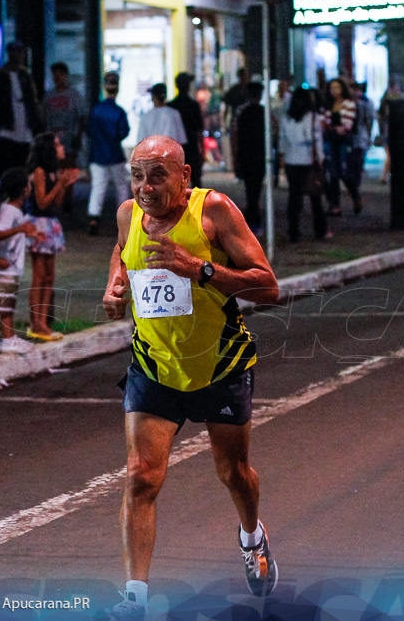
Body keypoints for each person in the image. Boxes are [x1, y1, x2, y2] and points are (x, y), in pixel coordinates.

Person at [102, 136, 280, 619]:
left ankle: (252, 536)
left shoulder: (214, 212)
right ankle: (134, 599)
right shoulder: (127, 214)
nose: (144, 187)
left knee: (234, 474)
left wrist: (198, 269)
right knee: (141, 477)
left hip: (218, 365)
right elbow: (122, 249)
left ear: (184, 176)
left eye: (157, 175)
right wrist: (115, 283)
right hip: (154, 366)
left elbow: (268, 285)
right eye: (137, 175)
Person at [27, 133, 79, 341]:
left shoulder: (53, 172)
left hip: (50, 224)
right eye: (57, 145)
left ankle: (44, 323)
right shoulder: (39, 172)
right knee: (39, 276)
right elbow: (41, 203)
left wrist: (65, 183)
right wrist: (60, 183)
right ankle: (36, 323)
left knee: (49, 276)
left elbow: (56, 203)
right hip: (39, 224)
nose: (61, 148)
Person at [0, 168, 42, 355]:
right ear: (24, 190)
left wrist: (30, 234)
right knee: (5, 306)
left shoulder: (15, 210)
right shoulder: (9, 210)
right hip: (4, 266)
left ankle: (8, 337)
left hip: (10, 266)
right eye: (28, 184)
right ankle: (8, 338)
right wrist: (20, 229)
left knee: (8, 303)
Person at [0, 42, 41, 176]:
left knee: (23, 160)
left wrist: (35, 118)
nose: (19, 56)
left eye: (21, 52)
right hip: (6, 126)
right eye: (16, 52)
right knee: (6, 161)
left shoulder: (25, 75)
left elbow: (33, 98)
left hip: (24, 125)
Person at [279, 88, 328, 242]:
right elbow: (317, 140)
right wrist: (320, 158)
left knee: (294, 196)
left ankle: (293, 231)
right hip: (308, 161)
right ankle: (320, 230)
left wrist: (282, 156)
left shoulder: (286, 118)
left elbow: (282, 140)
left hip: (291, 160)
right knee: (315, 196)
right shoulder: (312, 118)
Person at [86, 72, 131, 236]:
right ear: (117, 88)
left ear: (104, 88)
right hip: (115, 153)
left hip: (98, 154)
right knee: (121, 187)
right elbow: (124, 131)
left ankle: (93, 218)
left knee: (98, 187)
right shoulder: (119, 111)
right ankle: (124, 219)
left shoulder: (96, 109)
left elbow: (89, 130)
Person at [231, 82, 267, 231]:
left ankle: (250, 218)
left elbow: (234, 133)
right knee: (255, 189)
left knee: (249, 188)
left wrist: (235, 154)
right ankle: (253, 219)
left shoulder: (241, 111)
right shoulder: (264, 112)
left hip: (245, 154)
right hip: (259, 154)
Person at [321, 78, 356, 216]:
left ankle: (355, 196)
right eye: (331, 88)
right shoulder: (327, 105)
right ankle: (335, 205)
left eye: (336, 87)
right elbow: (323, 122)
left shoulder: (349, 104)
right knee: (332, 174)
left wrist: (334, 126)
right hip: (330, 140)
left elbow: (347, 125)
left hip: (343, 141)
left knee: (344, 173)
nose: (333, 91)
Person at [42, 62, 87, 170]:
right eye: (54, 75)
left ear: (65, 75)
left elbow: (82, 116)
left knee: (68, 170)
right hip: (52, 141)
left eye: (59, 75)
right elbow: (44, 117)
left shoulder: (74, 95)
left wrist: (79, 136)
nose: (57, 78)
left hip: (69, 140)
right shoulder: (48, 96)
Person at [168, 72, 205, 188]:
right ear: (188, 86)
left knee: (177, 181)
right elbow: (199, 129)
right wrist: (202, 149)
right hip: (192, 146)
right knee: (195, 181)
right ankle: (197, 205)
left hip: (175, 148)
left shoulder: (171, 105)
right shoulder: (193, 105)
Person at [346, 81, 373, 207]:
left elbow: (369, 121)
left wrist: (368, 137)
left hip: (360, 138)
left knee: (357, 164)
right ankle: (354, 190)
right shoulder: (346, 104)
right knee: (349, 166)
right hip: (348, 139)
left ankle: (355, 189)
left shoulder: (366, 104)